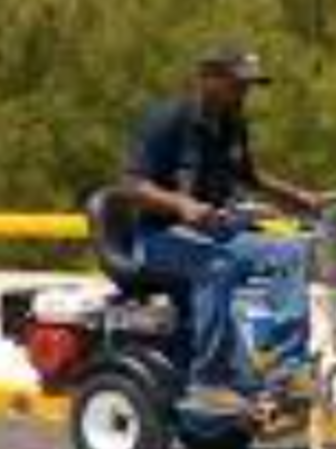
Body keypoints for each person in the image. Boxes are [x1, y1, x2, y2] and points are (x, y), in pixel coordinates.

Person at [123, 44, 321, 413]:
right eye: (236, 84)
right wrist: (182, 204)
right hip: (159, 238)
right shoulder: (167, 119)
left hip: (215, 231)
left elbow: (248, 176)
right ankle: (208, 381)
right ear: (208, 80)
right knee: (217, 263)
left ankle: (286, 370)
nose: (243, 93)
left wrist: (299, 197)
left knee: (292, 251)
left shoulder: (232, 122)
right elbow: (133, 186)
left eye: (248, 86)